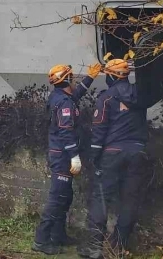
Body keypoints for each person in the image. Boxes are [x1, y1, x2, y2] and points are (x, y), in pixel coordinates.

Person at [77, 59, 150, 259]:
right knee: (130, 200)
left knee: (101, 198)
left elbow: (99, 129)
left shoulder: (107, 98)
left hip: (112, 154)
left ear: (111, 76)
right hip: (137, 153)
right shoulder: (140, 95)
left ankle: (94, 249)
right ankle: (117, 247)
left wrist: (94, 157)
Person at [32, 62, 103, 255]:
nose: (74, 80)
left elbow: (76, 95)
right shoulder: (63, 102)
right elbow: (65, 132)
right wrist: (74, 157)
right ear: (66, 80)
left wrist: (90, 77)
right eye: (71, 77)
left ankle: (58, 235)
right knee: (57, 198)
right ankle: (41, 240)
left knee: (65, 196)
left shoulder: (62, 96)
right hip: (63, 157)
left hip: (60, 155)